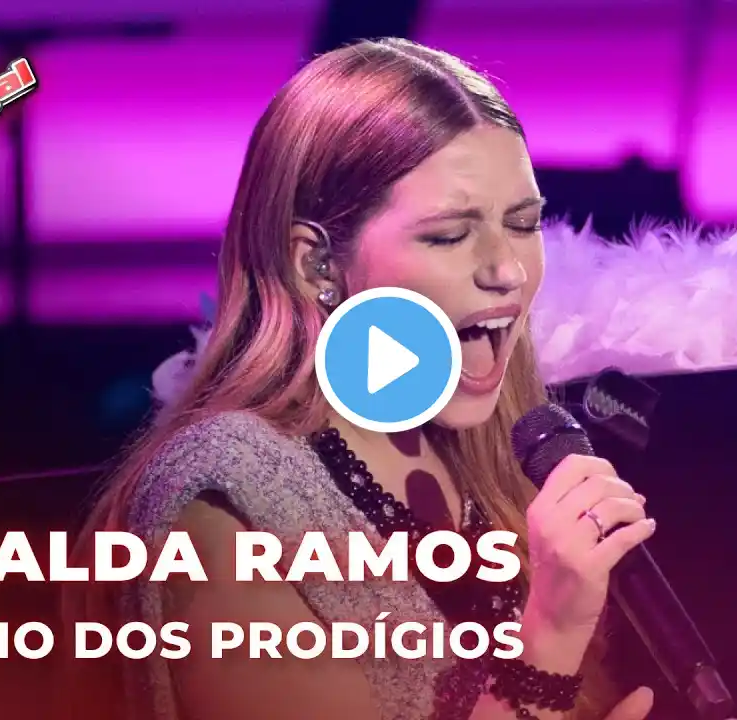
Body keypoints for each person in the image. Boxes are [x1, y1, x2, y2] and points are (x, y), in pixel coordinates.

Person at [72, 38, 662, 720]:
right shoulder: (224, 498)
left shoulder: (499, 453)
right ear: (316, 265)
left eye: (524, 224)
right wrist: (550, 637)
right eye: (448, 235)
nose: (507, 270)